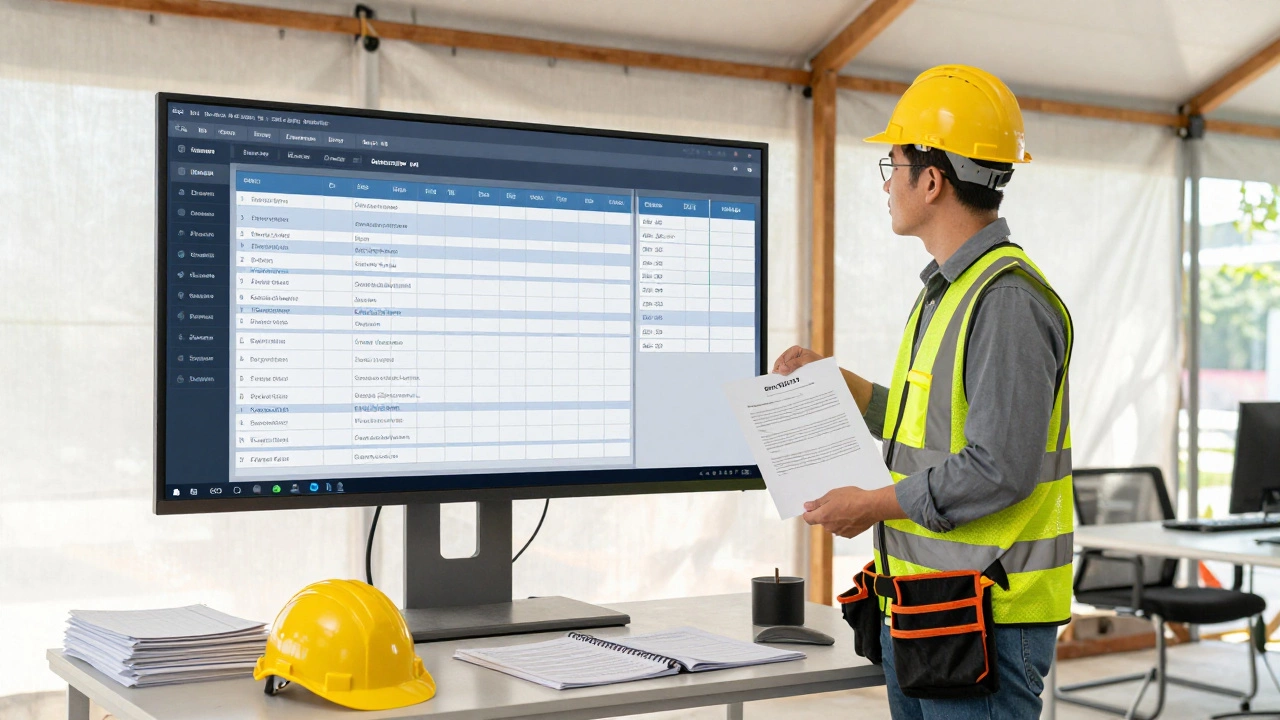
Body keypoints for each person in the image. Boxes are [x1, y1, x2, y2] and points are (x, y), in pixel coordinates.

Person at [773, 64, 1073, 719]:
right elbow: (937, 429)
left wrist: (873, 504)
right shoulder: (948, 292)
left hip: (988, 623)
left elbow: (997, 467)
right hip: (932, 616)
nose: (887, 184)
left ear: (931, 180)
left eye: (894, 162)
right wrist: (844, 388)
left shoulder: (1006, 302)